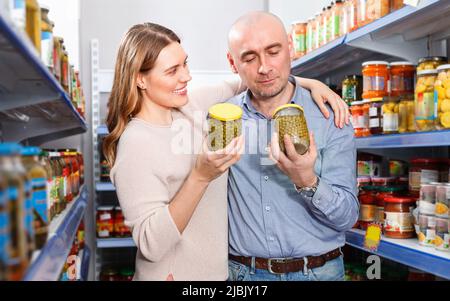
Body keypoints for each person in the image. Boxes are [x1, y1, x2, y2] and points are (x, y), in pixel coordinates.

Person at [105, 22, 349, 281]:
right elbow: (151, 244)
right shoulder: (135, 142)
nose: (186, 76)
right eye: (172, 70)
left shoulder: (192, 105)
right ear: (140, 79)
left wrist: (311, 85)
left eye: (185, 64)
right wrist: (200, 177)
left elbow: (258, 78)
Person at [226, 12, 359, 281]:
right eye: (249, 58)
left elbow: (348, 218)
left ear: (290, 47)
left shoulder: (330, 115)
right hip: (245, 275)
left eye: (273, 52)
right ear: (232, 63)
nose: (264, 67)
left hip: (319, 272)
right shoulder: (221, 119)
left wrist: (307, 180)